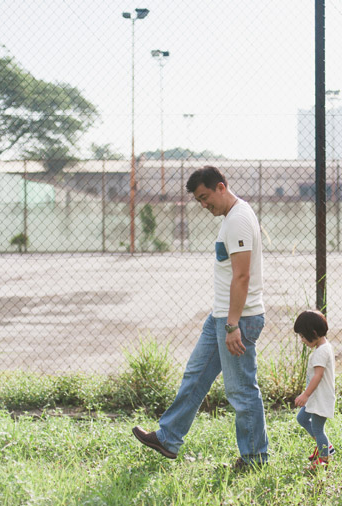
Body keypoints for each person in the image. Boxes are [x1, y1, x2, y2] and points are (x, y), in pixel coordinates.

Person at [132, 165, 268, 469]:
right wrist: (224, 320)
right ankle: (168, 438)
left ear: (221, 187)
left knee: (241, 390)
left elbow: (242, 276)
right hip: (221, 317)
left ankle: (255, 457)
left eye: (206, 197)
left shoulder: (238, 220)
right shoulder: (232, 217)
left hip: (238, 320)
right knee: (195, 376)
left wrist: (232, 325)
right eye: (199, 201)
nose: (204, 205)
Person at [293, 310, 336, 471]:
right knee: (302, 418)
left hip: (320, 398)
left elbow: (318, 376)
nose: (302, 340)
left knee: (318, 429)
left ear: (313, 333)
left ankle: (324, 457)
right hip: (316, 397)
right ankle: (323, 445)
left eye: (303, 336)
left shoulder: (320, 352)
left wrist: (305, 394)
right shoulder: (324, 347)